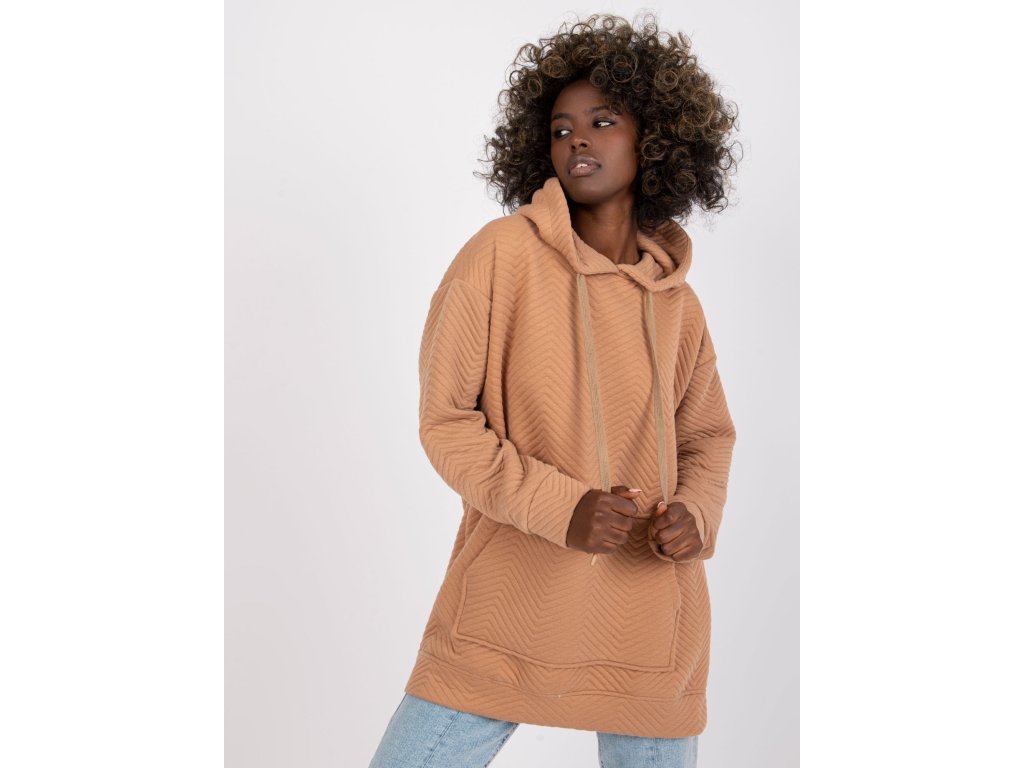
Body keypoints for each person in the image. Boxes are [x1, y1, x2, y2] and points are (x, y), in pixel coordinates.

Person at [368, 12, 740, 768]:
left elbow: (707, 437)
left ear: (655, 139)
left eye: (602, 122)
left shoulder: (678, 304)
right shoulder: (499, 257)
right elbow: (446, 422)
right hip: (511, 604)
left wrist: (696, 515)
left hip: (648, 618)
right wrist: (564, 508)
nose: (577, 141)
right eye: (561, 129)